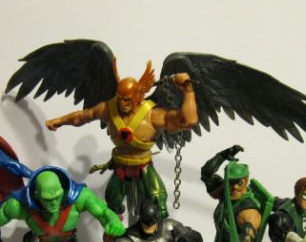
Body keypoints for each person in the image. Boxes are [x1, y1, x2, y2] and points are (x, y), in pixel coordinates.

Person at [45, 67, 197, 218]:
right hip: (120, 166)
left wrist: (188, 91)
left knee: (159, 201)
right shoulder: (108, 109)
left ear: (138, 96)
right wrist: (60, 121)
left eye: (127, 99)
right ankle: (116, 226)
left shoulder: (153, 115)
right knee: (112, 202)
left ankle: (154, 228)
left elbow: (189, 121)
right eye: (120, 98)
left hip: (144, 165)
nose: (123, 103)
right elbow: (83, 116)